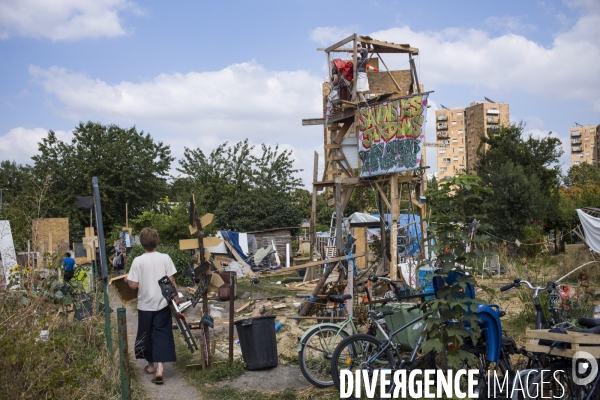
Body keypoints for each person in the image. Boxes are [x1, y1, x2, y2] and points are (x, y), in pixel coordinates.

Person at [125, 228, 179, 385]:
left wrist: (127, 280)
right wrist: (175, 296)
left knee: (146, 334)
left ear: (141, 243)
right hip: (162, 303)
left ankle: (150, 366)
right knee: (161, 334)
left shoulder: (137, 261)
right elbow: (171, 280)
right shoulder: (165, 258)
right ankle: (160, 369)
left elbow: (134, 286)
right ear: (157, 241)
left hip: (145, 305)